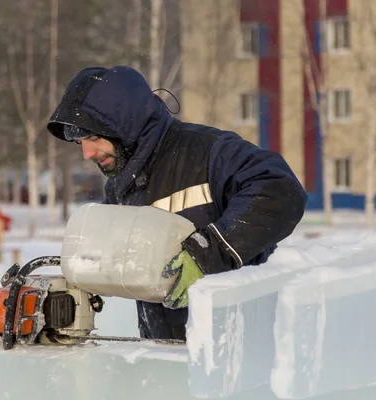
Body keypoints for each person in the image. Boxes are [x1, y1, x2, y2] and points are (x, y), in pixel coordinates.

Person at [46, 65, 308, 341]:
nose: (87, 153)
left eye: (93, 138)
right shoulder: (119, 188)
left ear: (125, 124)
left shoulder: (207, 152)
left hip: (242, 349)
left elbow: (280, 189)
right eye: (80, 142)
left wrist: (210, 252)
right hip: (167, 358)